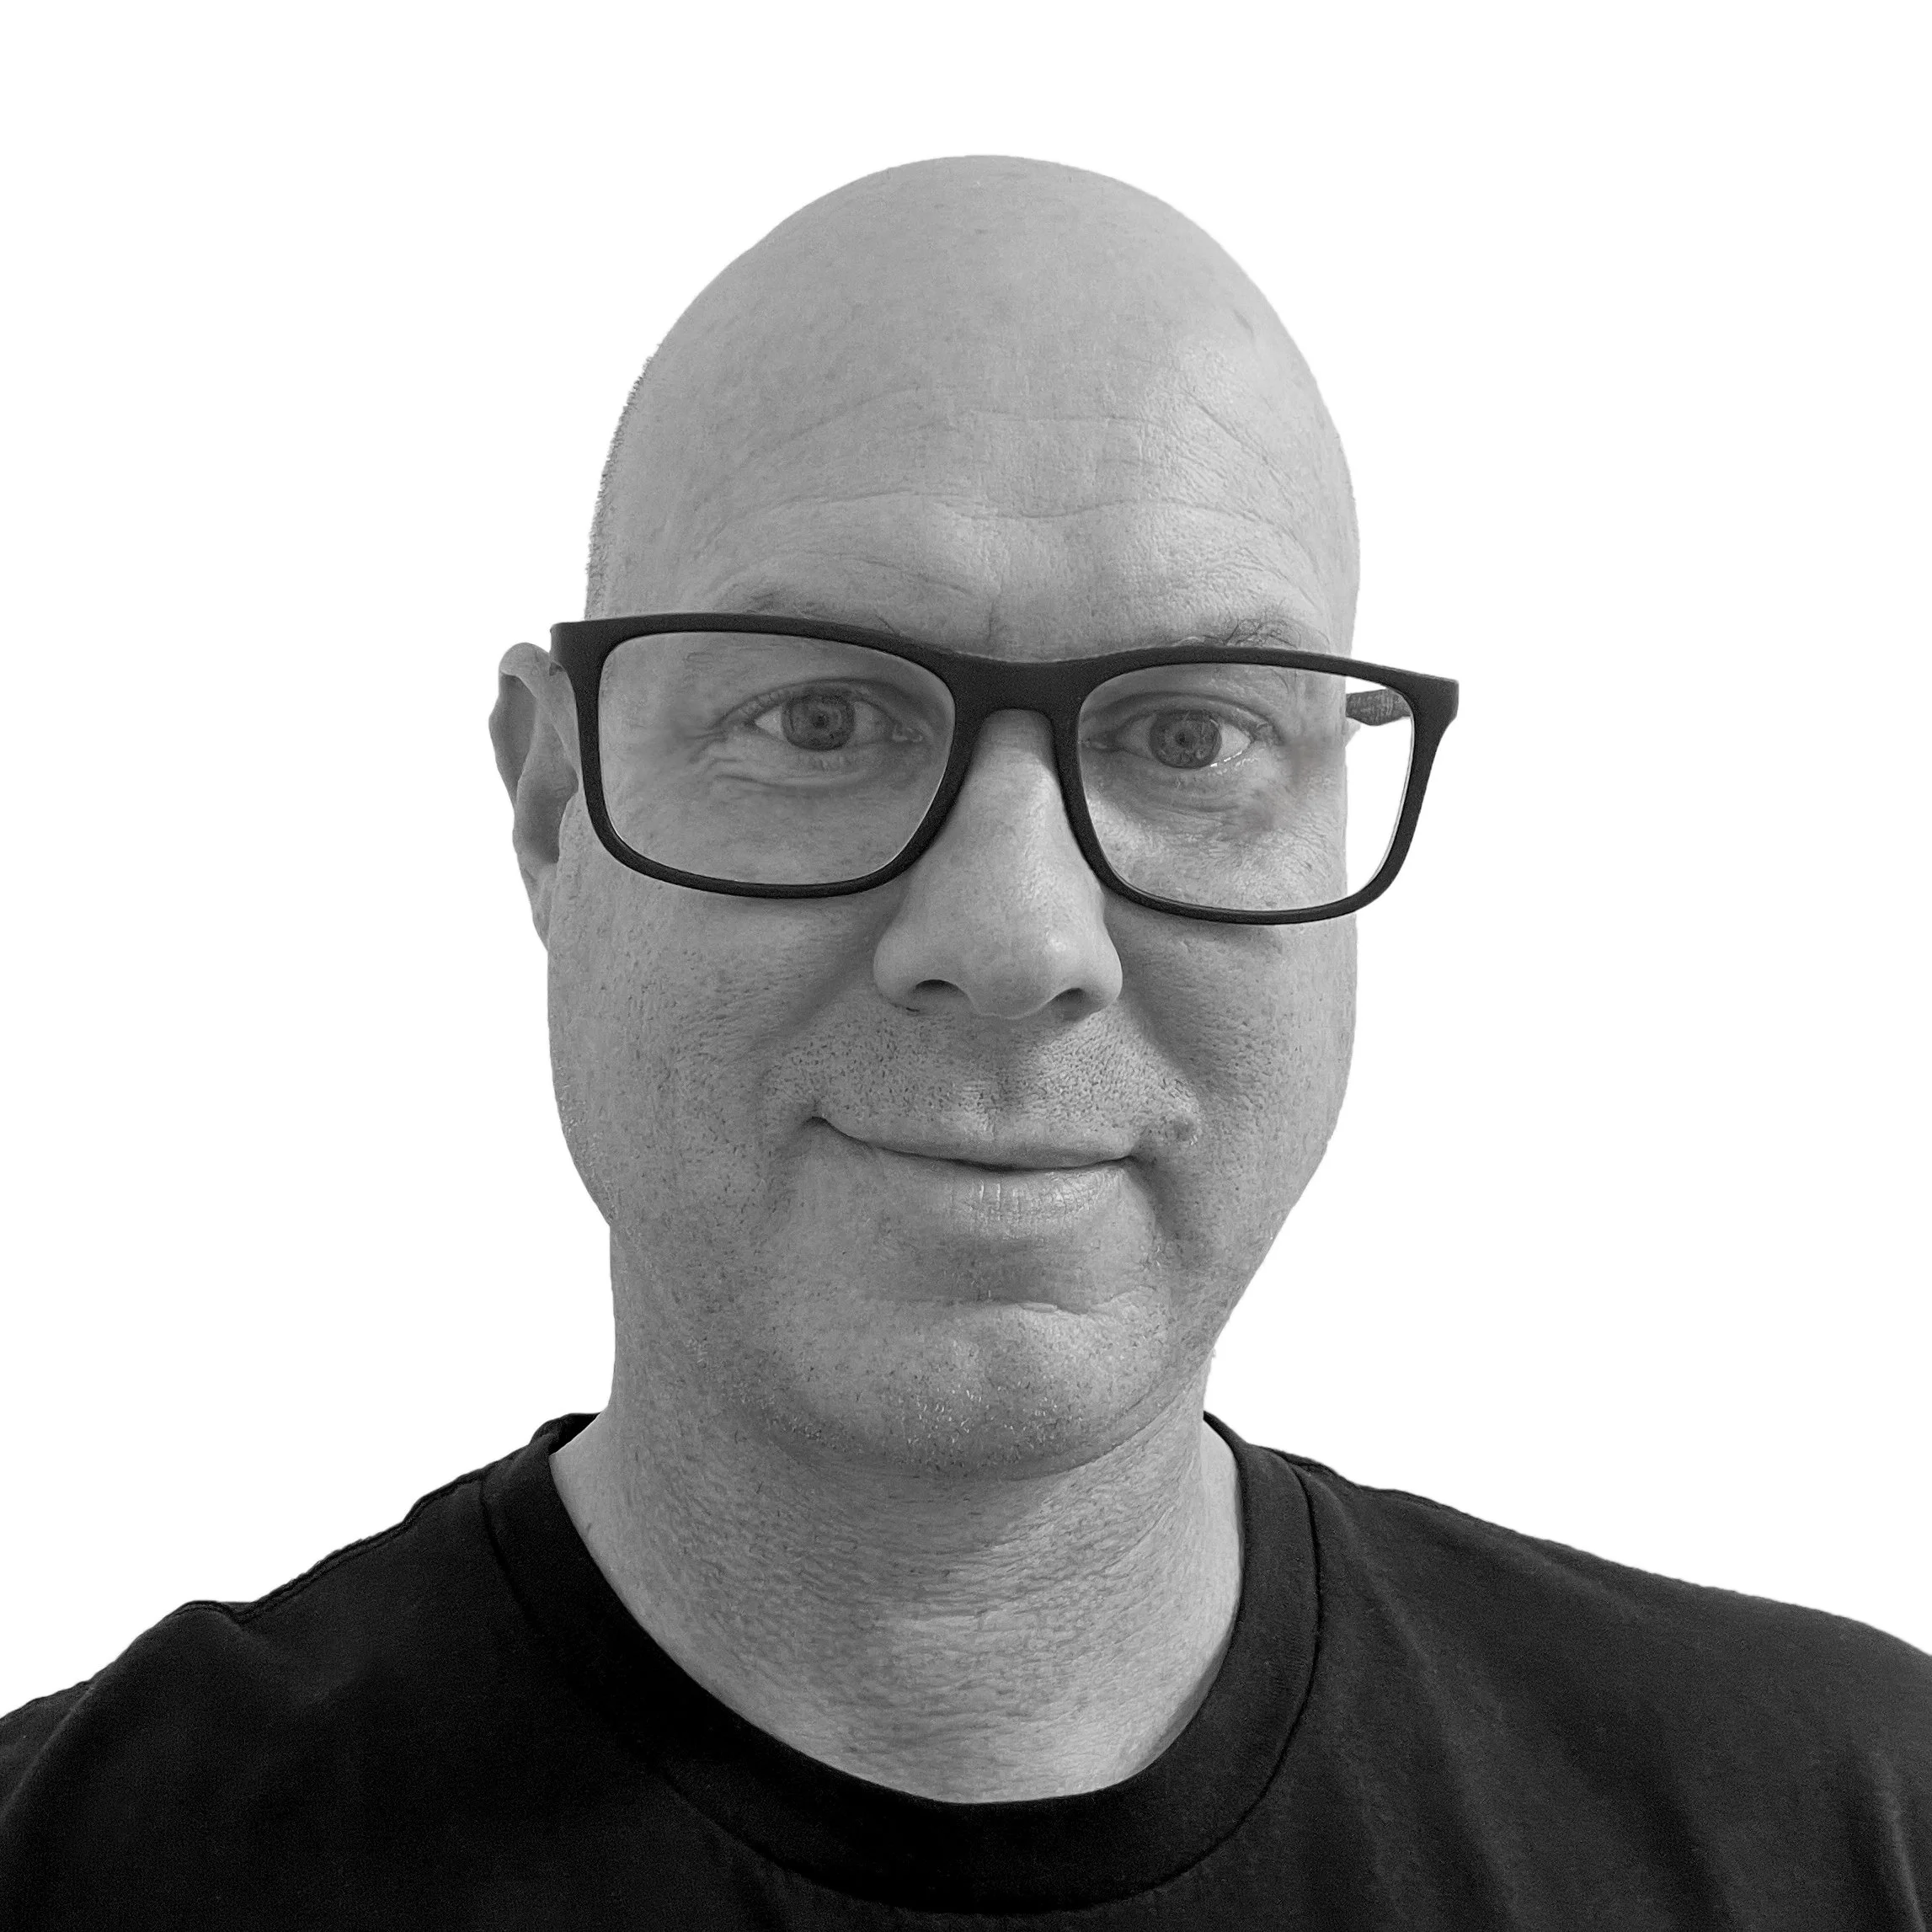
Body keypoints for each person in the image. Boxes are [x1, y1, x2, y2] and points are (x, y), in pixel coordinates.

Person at [1, 155, 1925, 1929]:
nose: (1014, 939)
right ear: (553, 813)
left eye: (1189, 735)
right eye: (821, 722)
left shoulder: (1857, 1828)